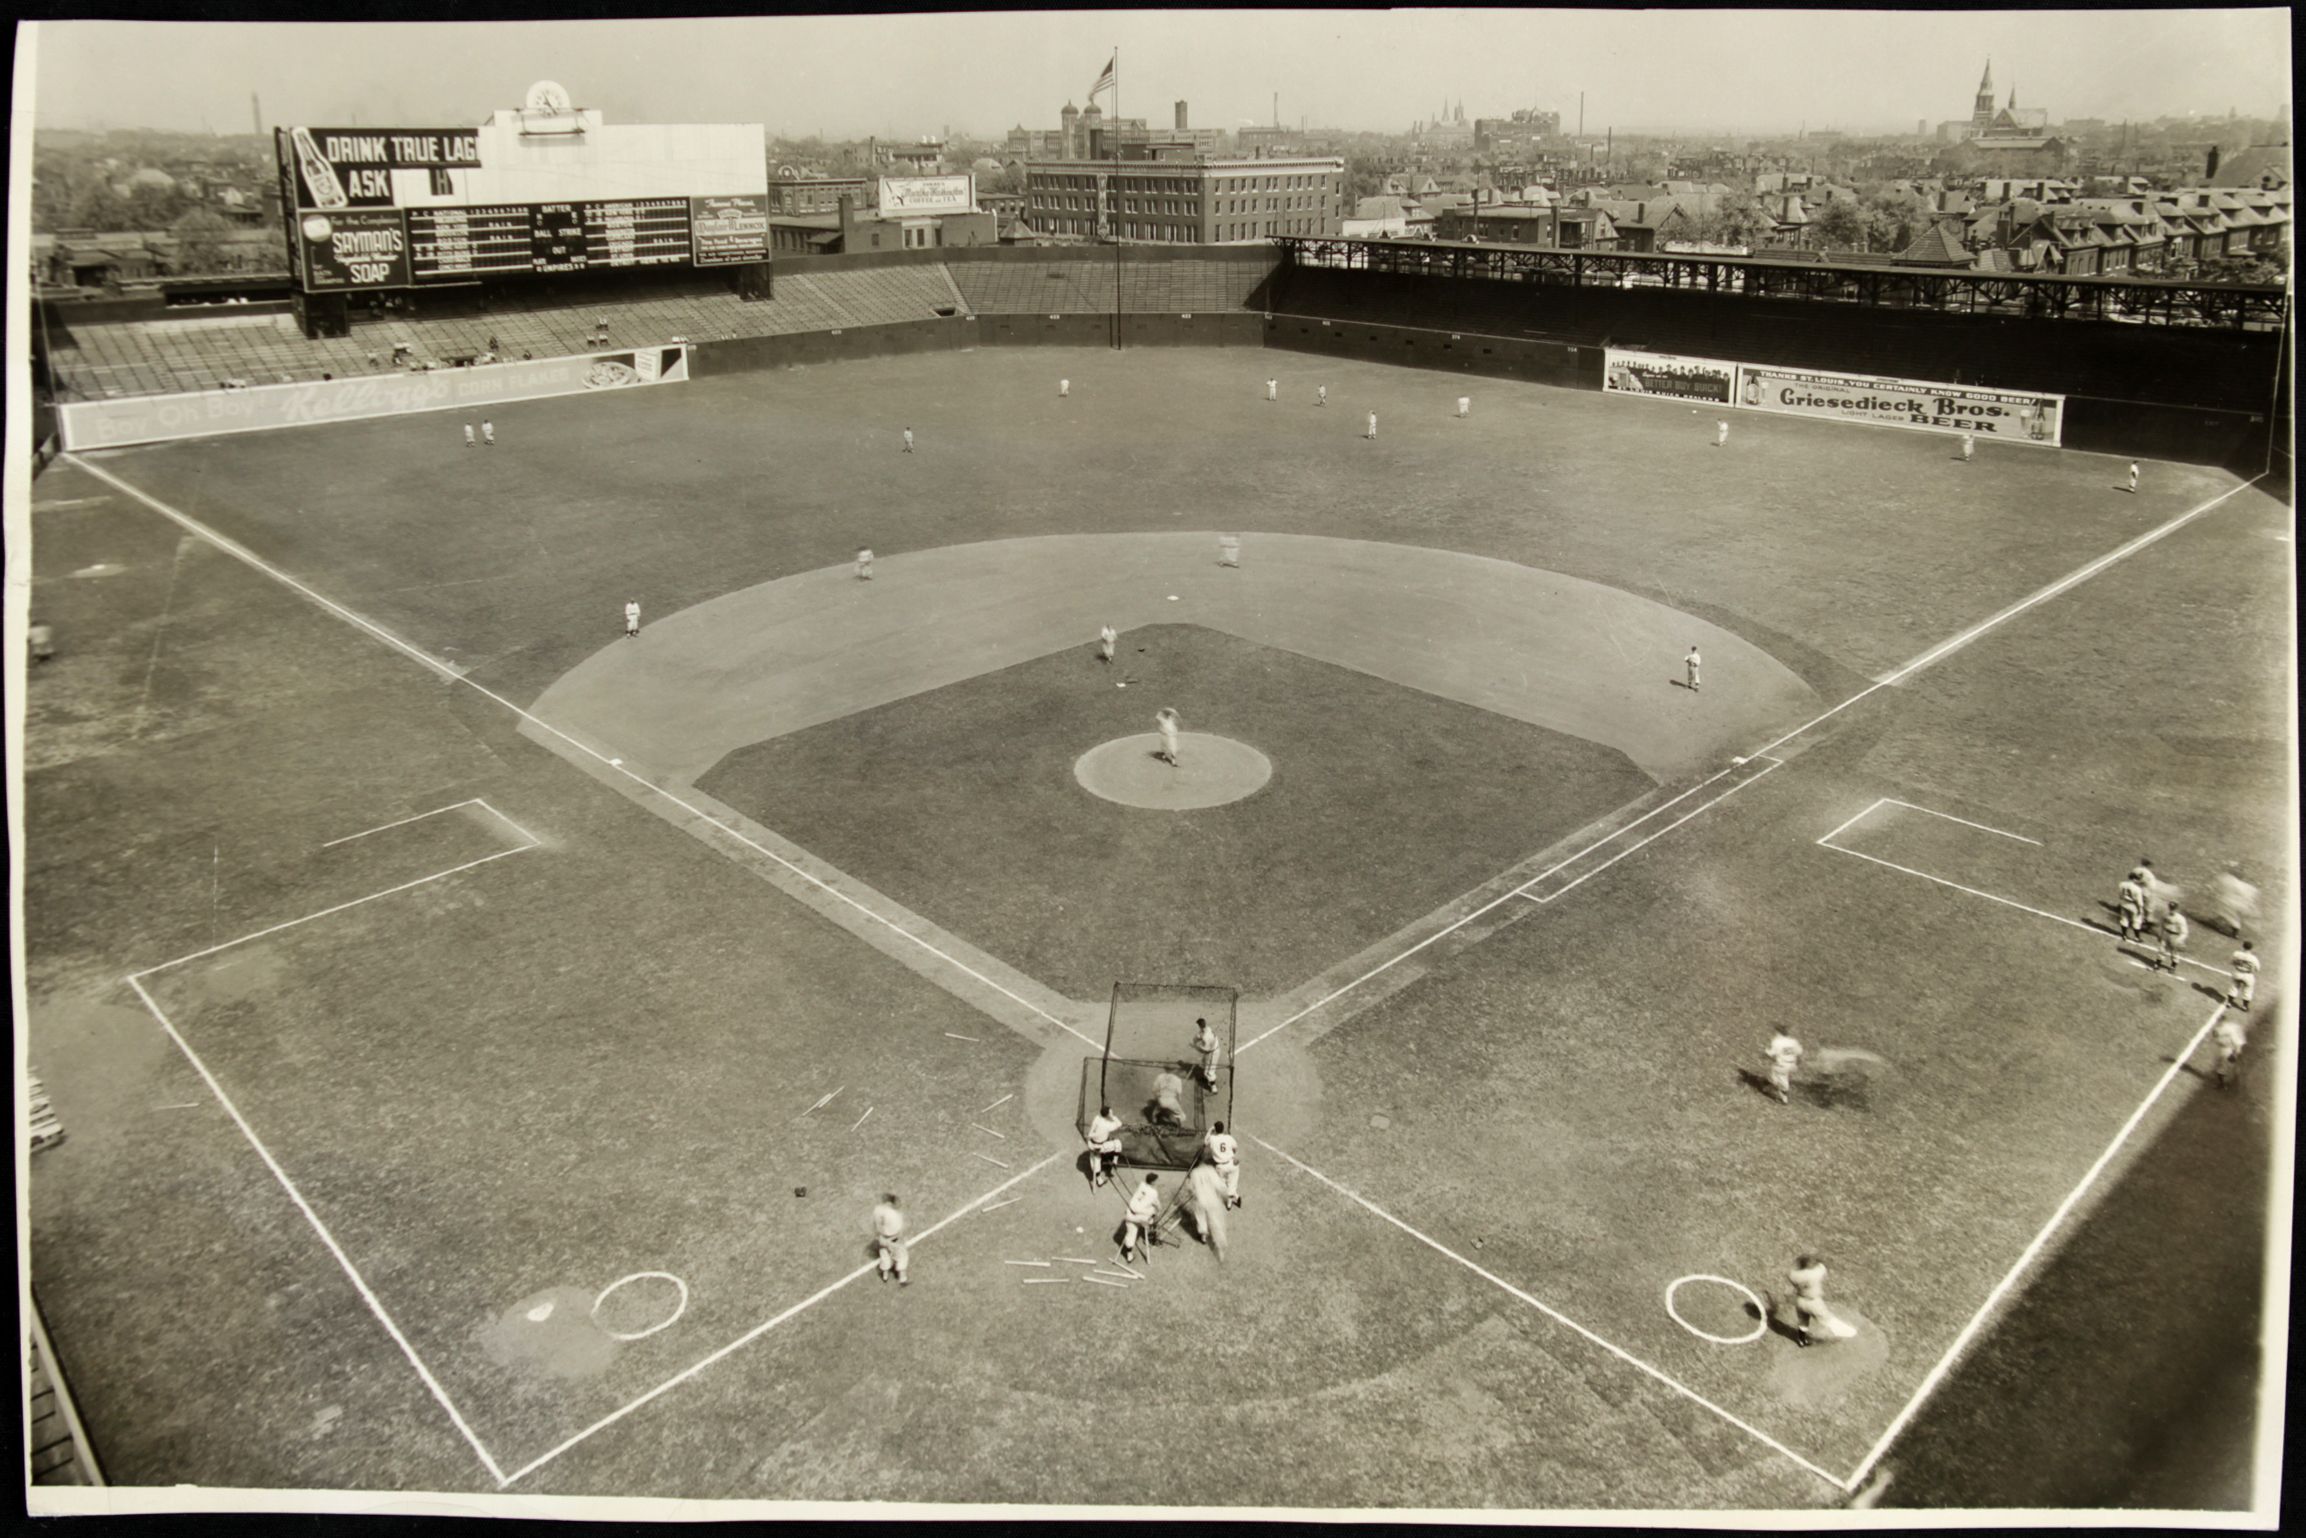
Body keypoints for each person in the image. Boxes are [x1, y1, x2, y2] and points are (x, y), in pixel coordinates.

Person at [1786, 1253, 1856, 1345]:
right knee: (1827, 1318)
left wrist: (1800, 1262)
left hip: (1799, 1301)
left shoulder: (1793, 1275)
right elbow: (1822, 1266)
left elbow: (1790, 1272)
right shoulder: (1816, 1273)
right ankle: (1842, 1331)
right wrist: (1817, 1260)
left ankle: (1801, 1340)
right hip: (1814, 1303)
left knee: (1803, 1321)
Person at [1121, 1173, 1162, 1264]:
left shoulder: (1141, 1185)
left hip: (1129, 1215)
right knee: (1153, 1216)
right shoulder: (1154, 1193)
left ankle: (1129, 1256)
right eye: (1156, 1181)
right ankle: (1152, 1235)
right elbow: (1157, 1205)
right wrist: (1158, 1211)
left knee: (1131, 1234)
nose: (1157, 1182)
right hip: (1141, 1218)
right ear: (1152, 1182)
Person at [871, 1193, 910, 1286]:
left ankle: (885, 1276)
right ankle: (902, 1279)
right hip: (894, 1238)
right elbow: (899, 1228)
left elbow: (874, 1224)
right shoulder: (894, 1214)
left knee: (884, 1256)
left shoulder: (877, 1210)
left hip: (881, 1237)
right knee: (902, 1256)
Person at [2213, 864, 2260, 939]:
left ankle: (2234, 930)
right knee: (2228, 912)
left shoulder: (2229, 880)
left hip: (2232, 902)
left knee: (2228, 911)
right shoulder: (2242, 885)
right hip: (2236, 902)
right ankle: (2227, 925)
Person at [1084, 1103, 1125, 1188]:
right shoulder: (1108, 1125)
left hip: (1091, 1144)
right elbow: (1120, 1124)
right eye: (1110, 1112)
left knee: (1096, 1160)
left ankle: (1099, 1180)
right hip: (1101, 1147)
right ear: (1107, 1115)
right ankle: (1115, 1161)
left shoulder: (1097, 1118)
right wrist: (1113, 1116)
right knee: (1118, 1143)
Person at [1205, 1120, 1241, 1209]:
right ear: (1223, 1129)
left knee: (1222, 1185)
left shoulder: (1212, 1139)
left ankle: (1232, 1200)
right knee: (1232, 1183)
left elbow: (1205, 1142)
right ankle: (1234, 1198)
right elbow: (1235, 1147)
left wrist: (1210, 1130)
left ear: (1215, 1130)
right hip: (1232, 1163)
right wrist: (1233, 1156)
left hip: (1221, 1166)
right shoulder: (1228, 1138)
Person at [2211, 1010, 2249, 1089]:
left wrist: (2238, 1049)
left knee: (2222, 1068)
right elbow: (2217, 1039)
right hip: (2226, 1050)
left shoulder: (2223, 1029)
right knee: (2229, 1065)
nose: (2219, 1022)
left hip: (2227, 1051)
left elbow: (2234, 1040)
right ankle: (2231, 1081)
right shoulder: (2219, 1029)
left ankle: (2223, 1084)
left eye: (2219, 1020)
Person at [1765, 1031, 1802, 1105]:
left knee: (1777, 1077)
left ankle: (1784, 1098)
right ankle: (1778, 1087)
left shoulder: (1777, 1042)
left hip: (1782, 1066)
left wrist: (1766, 1052)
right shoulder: (1793, 1041)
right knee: (1780, 1075)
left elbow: (1771, 1053)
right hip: (1791, 1065)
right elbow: (1799, 1052)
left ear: (1779, 1034)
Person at [2115, 871, 2149, 944]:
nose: (2137, 880)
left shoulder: (2122, 884)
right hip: (2133, 906)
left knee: (2124, 919)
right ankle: (2137, 938)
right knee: (2137, 921)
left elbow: (2120, 895)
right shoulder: (2137, 889)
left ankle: (2124, 935)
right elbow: (2139, 902)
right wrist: (2140, 910)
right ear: (2134, 879)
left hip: (2124, 903)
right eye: (2137, 879)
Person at [2227, 940, 2260, 1013]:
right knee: (2248, 990)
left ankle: (2229, 1003)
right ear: (2251, 948)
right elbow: (2258, 969)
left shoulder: (2236, 954)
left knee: (2234, 987)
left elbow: (2231, 962)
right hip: (2248, 975)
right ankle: (2244, 1006)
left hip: (2237, 973)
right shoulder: (2253, 958)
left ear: (2243, 946)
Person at [2158, 901, 2189, 974]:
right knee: (2162, 949)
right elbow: (2162, 926)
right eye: (2171, 908)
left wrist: (2179, 940)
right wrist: (2161, 934)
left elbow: (2185, 932)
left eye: (2173, 908)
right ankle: (2157, 964)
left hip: (2175, 936)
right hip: (2166, 933)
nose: (2172, 909)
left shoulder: (2181, 919)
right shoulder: (2165, 915)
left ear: (2177, 909)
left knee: (2174, 953)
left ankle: (2173, 967)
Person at [1192, 1017, 1220, 1089]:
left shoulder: (1206, 1036)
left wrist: (1195, 1047)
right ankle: (1205, 1078)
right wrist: (1194, 1041)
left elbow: (1205, 1050)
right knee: (1204, 1064)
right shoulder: (1207, 1028)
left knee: (1210, 1071)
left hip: (1213, 1052)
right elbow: (1199, 1035)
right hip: (1210, 1050)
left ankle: (1213, 1087)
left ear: (1200, 1025)